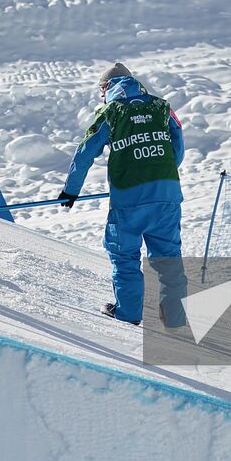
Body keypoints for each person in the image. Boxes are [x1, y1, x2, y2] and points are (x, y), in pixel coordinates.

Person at [59, 64, 188, 327]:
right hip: (166, 194)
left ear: (107, 87)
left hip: (129, 200)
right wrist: (158, 171)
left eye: (100, 91)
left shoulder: (111, 112)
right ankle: (174, 316)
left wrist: (70, 191)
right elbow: (178, 145)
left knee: (125, 255)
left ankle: (128, 313)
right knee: (168, 258)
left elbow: (84, 153)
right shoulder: (161, 107)